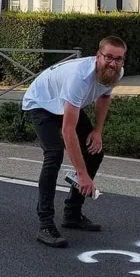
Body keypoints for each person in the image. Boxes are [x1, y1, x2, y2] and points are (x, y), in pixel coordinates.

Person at [21, 36, 126, 248]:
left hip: (65, 104)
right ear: (98, 56)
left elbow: (104, 97)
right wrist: (82, 174)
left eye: (119, 59)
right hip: (41, 103)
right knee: (54, 154)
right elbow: (68, 131)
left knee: (95, 152)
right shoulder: (79, 77)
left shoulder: (116, 72)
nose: (113, 63)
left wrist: (97, 131)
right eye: (108, 57)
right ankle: (45, 224)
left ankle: (72, 214)